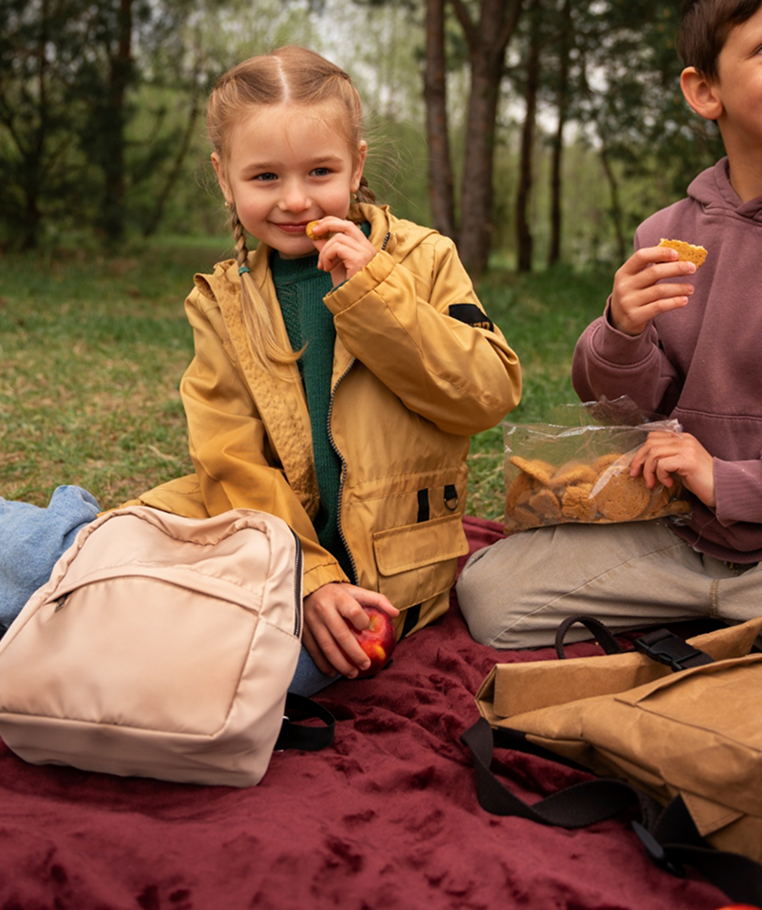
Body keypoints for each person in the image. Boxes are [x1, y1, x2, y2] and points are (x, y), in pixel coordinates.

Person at [457, 0, 762, 673]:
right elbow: (631, 410)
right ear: (704, 90)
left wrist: (731, 482)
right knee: (493, 596)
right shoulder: (667, 234)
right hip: (676, 540)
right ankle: (720, 621)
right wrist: (619, 332)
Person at [140, 45, 521, 694]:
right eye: (264, 177)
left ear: (357, 163)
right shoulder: (223, 298)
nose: (296, 200)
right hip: (265, 550)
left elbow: (486, 392)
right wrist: (304, 576)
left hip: (379, 585)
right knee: (62, 542)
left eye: (319, 170)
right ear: (223, 175)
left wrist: (375, 290)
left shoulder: (424, 260)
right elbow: (228, 457)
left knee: (218, 675)